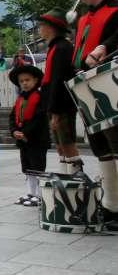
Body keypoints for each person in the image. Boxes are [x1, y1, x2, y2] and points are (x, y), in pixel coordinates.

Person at [70, 0, 118, 230]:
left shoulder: (115, 12)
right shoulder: (83, 18)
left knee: (116, 142)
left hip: (109, 85)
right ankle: (111, 205)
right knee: (100, 145)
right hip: (86, 84)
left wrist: (104, 46)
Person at [37, 9, 81, 173]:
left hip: (62, 105)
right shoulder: (54, 48)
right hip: (54, 104)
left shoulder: (62, 48)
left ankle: (76, 178)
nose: (39, 29)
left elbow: (58, 81)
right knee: (60, 145)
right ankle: (65, 176)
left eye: (41, 25)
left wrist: (54, 110)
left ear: (51, 27)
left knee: (67, 143)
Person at [9, 65, 49, 207]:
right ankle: (30, 192)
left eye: (27, 80)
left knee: (38, 167)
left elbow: (38, 119)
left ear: (35, 80)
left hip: (36, 140)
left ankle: (39, 194)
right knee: (27, 167)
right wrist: (14, 131)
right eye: (21, 81)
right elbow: (12, 117)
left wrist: (25, 133)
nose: (24, 83)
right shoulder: (20, 99)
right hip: (23, 140)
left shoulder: (39, 97)